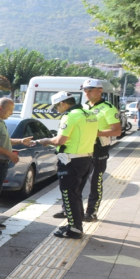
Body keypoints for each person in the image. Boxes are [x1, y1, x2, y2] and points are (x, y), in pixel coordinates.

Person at [38, 91, 99, 238]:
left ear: (63, 103)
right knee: (76, 194)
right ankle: (75, 225)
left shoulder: (70, 116)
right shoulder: (89, 114)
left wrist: (46, 140)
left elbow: (60, 140)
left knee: (69, 195)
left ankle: (75, 230)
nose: (57, 110)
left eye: (56, 107)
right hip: (87, 158)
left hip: (71, 161)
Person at [0, 98, 34, 235]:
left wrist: (21, 141)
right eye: (9, 110)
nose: (11, 113)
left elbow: (2, 141)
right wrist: (9, 153)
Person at [80, 78, 121, 222]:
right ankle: (72, 209)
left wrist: (94, 132)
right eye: (85, 91)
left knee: (95, 181)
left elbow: (116, 131)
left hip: (99, 148)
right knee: (78, 180)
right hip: (82, 147)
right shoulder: (84, 106)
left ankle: (91, 211)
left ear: (100, 91)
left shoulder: (108, 108)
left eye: (90, 90)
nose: (87, 93)